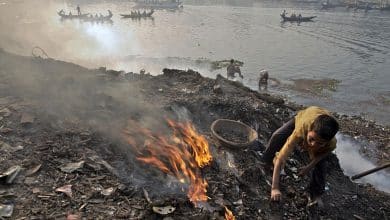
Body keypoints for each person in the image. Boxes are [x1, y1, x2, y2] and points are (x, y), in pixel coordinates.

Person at [260, 106, 339, 206]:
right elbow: (281, 157)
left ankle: (316, 193)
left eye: (320, 143)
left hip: (323, 120)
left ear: (327, 141)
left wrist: (308, 167)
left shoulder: (331, 143)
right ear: (309, 130)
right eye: (311, 139)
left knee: (321, 164)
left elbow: (323, 154)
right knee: (277, 136)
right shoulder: (302, 128)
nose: (313, 144)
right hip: (305, 115)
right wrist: (275, 188)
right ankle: (265, 161)